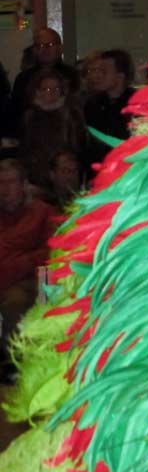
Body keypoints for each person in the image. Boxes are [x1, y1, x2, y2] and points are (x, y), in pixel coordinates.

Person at [0, 158, 59, 379]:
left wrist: (21, 261)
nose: (5, 189)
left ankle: (16, 361)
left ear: (25, 185)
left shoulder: (43, 213)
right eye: (1, 183)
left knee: (14, 301)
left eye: (10, 182)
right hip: (6, 276)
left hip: (34, 279)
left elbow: (53, 252)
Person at [16, 69, 88, 188]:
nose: (52, 93)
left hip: (66, 173)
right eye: (47, 89)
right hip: (36, 175)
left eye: (57, 89)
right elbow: (25, 148)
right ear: (38, 92)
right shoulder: (30, 116)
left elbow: (79, 146)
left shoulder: (71, 114)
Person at [6, 28, 78, 140]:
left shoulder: (72, 75)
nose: (43, 50)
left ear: (60, 48)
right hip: (30, 137)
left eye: (49, 45)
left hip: (66, 135)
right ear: (34, 50)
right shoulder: (23, 78)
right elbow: (15, 112)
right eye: (39, 46)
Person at [84, 50, 136, 166]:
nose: (96, 76)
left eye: (103, 71)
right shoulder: (92, 104)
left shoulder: (136, 104)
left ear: (120, 76)